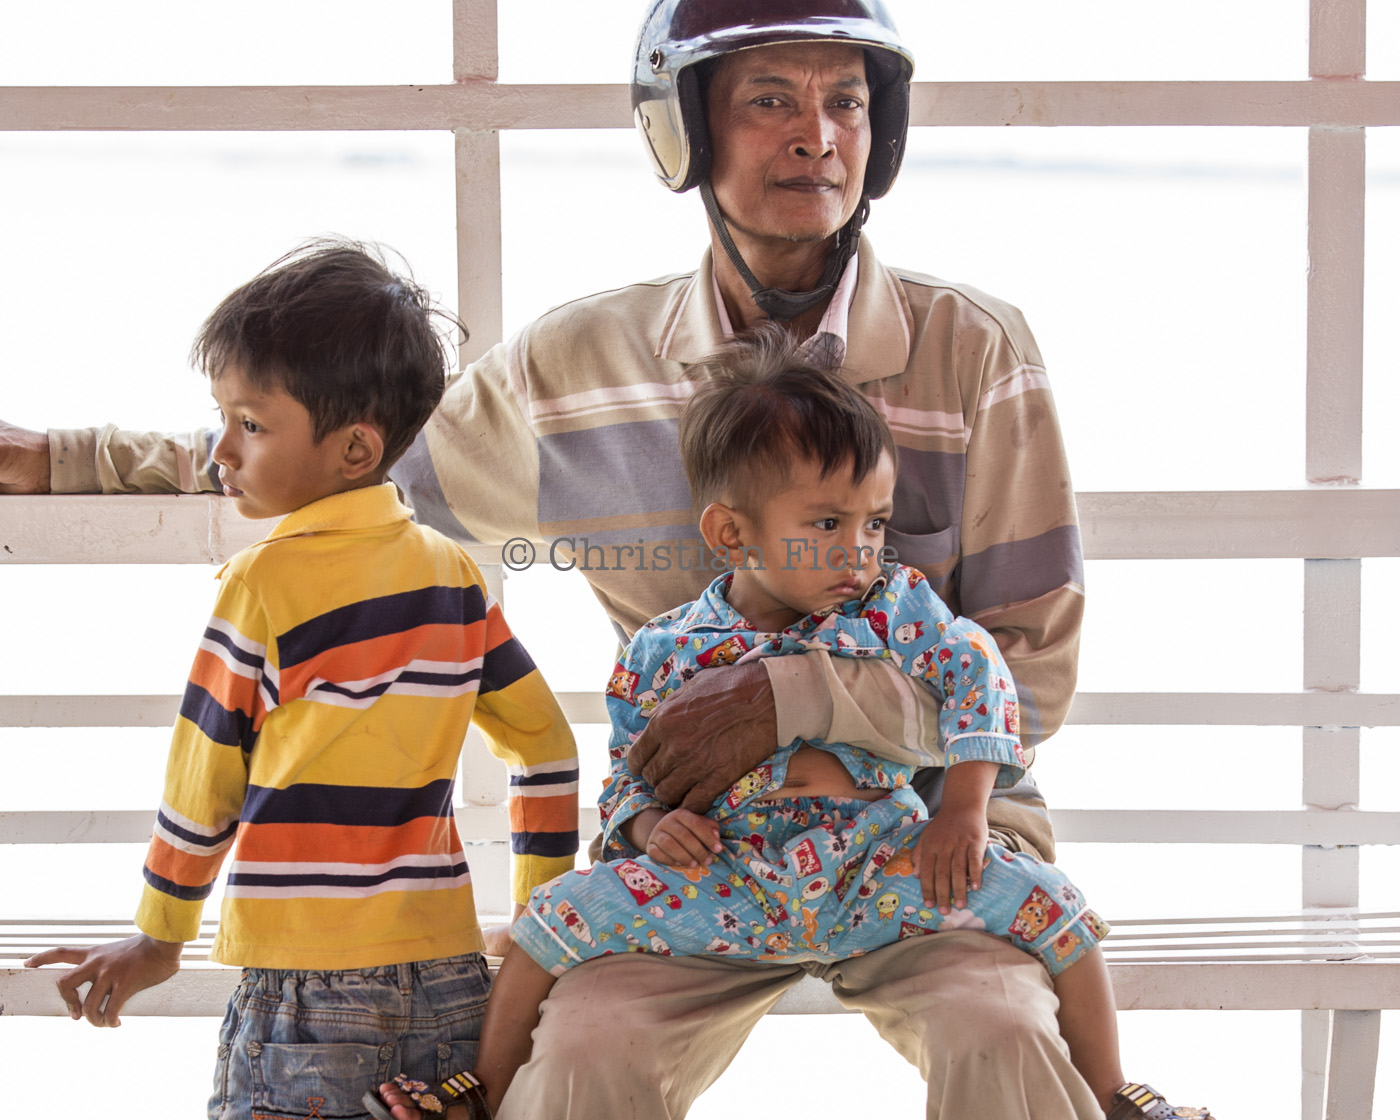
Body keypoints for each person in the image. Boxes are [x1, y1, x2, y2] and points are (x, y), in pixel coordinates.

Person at [2, 3, 1112, 1116]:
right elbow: (340, 451)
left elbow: (1031, 670)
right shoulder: (582, 366)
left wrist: (795, 695)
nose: (816, 136)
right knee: (576, 1056)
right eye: (771, 99)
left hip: (927, 846)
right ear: (682, 129)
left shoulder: (974, 349)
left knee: (1001, 1031)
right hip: (684, 851)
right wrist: (64, 459)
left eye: (847, 102)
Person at [367, 330, 1210, 1120]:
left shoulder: (896, 612)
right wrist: (654, 824)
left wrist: (964, 808)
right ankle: (484, 1090)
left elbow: (982, 675)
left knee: (1057, 908)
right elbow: (631, 768)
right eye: (827, 525)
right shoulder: (668, 650)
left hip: (881, 868)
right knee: (546, 924)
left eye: (875, 523)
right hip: (723, 886)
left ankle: (1111, 1095)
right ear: (732, 533)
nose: (862, 552)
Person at [21, 240, 581, 1120]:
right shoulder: (453, 576)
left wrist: (160, 937)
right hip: (451, 982)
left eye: (251, 423)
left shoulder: (263, 587)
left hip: (307, 994)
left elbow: (204, 779)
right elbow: (546, 748)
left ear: (356, 449)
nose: (220, 450)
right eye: (223, 418)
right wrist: (540, 912)